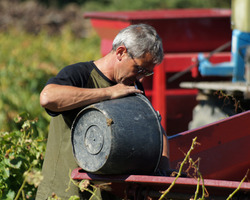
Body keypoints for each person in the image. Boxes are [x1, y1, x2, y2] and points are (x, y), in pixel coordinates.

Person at [36, 23, 170, 199]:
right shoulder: (80, 74)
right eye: (139, 69)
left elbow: (155, 130)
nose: (141, 77)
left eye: (147, 73)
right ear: (121, 52)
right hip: (62, 193)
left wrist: (163, 175)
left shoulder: (133, 86)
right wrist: (109, 92)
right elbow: (48, 98)